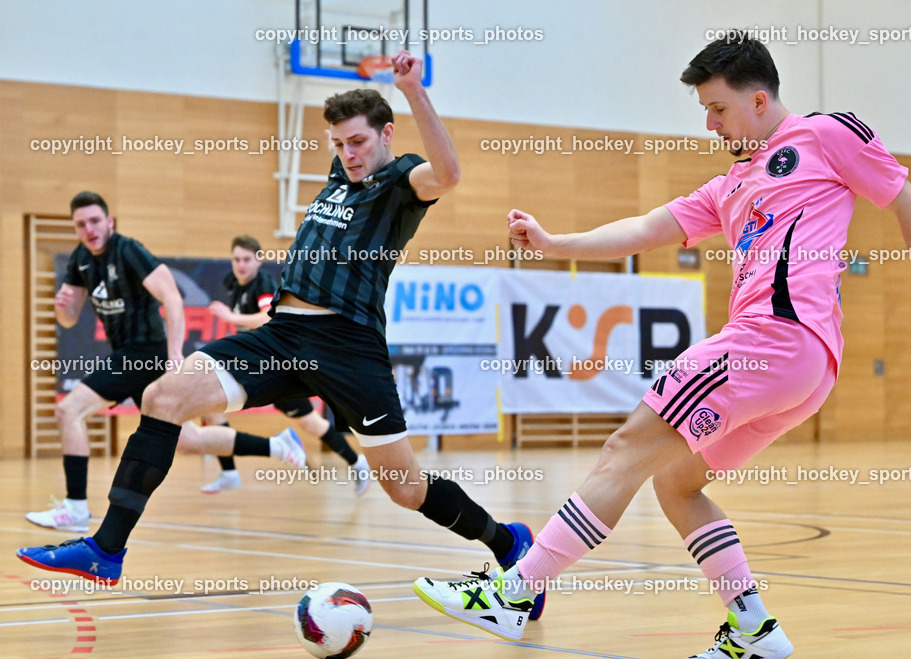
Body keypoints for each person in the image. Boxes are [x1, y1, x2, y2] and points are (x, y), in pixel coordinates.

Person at [411, 36, 911, 659]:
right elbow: (646, 229)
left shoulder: (825, 135)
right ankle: (753, 626)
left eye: (717, 108)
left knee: (626, 448)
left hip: (772, 342)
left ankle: (513, 592)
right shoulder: (729, 185)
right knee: (677, 480)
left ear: (759, 99)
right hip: (802, 369)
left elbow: (910, 198)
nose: (708, 123)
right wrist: (553, 239)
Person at [17, 50, 544, 620]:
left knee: (406, 489)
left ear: (387, 135)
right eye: (340, 144)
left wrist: (413, 91)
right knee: (162, 396)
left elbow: (450, 175)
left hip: (349, 346)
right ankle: (106, 550)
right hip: (281, 336)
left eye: (360, 142)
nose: (349, 153)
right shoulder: (340, 176)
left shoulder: (400, 180)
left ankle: (508, 543)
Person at [26, 191, 305, 534]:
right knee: (187, 440)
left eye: (95, 220)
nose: (89, 229)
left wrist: (174, 354)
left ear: (109, 222)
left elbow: (172, 296)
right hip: (127, 354)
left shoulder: (128, 250)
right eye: (81, 224)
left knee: (69, 410)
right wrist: (62, 305)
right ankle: (278, 445)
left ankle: (75, 508)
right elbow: (69, 319)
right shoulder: (81, 260)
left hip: (143, 352)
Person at [201, 235, 370, 495]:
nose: (241, 265)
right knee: (211, 406)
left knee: (312, 424)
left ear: (258, 260)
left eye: (247, 259)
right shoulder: (235, 284)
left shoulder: (263, 283)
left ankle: (356, 462)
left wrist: (230, 316)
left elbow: (267, 317)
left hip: (278, 365)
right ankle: (231, 471)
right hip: (258, 362)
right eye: (236, 259)